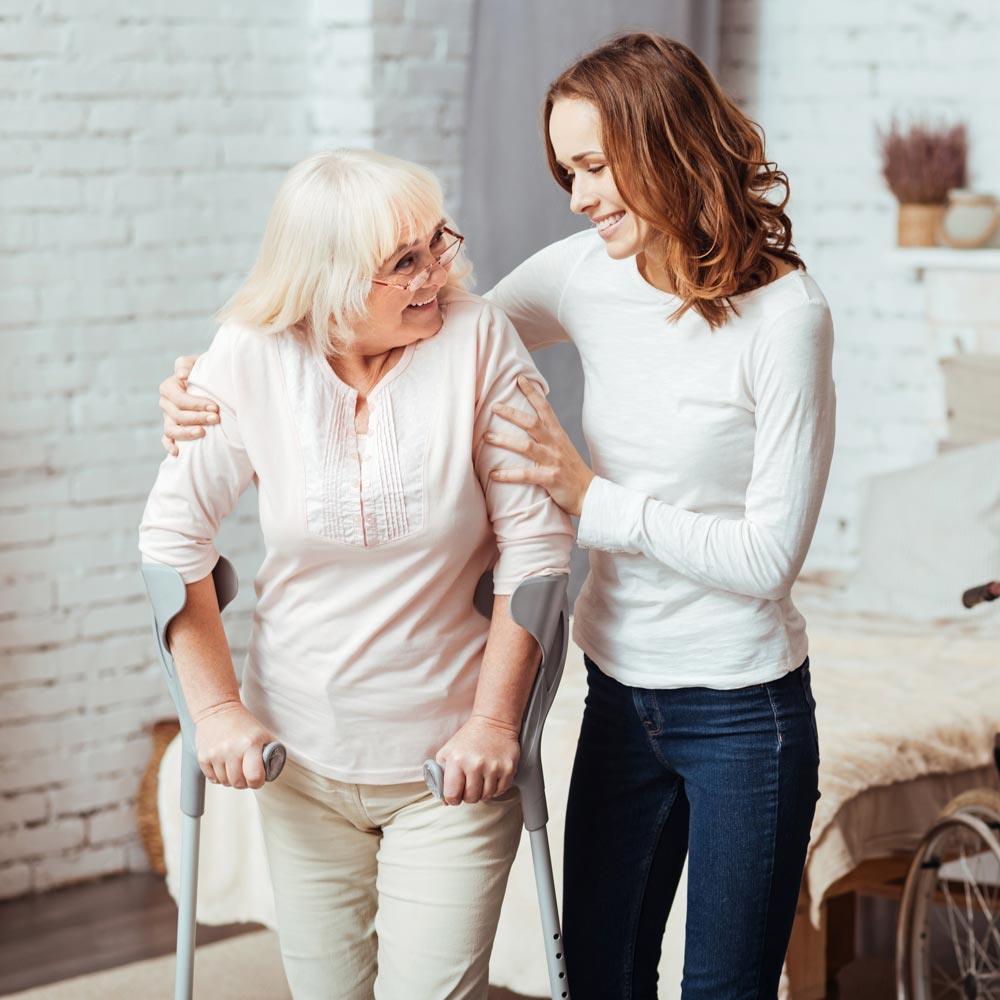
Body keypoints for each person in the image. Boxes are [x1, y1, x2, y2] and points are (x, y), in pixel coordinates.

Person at [157, 33, 835, 1000]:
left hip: (742, 706)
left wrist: (590, 498)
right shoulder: (585, 271)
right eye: (568, 171)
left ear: (669, 145)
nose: (579, 196)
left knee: (724, 987)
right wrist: (212, 383)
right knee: (601, 977)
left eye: (596, 166)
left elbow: (768, 558)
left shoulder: (788, 319)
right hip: (620, 691)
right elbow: (431, 328)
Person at [140, 148, 573, 1000]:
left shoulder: (478, 339)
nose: (435, 276)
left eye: (436, 245)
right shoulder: (251, 357)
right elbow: (170, 540)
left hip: (449, 765)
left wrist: (494, 724)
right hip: (297, 757)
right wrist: (217, 711)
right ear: (329, 281)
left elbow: (537, 551)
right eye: (403, 263)